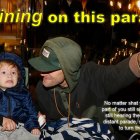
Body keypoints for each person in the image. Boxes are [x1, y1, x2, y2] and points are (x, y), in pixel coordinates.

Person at [29, 37, 140, 139]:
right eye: (41, 66)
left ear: (68, 67)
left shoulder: (92, 77)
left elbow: (119, 73)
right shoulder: (42, 90)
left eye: (49, 68)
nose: (42, 73)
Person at [0, 52, 40, 140]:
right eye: (4, 72)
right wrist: (2, 120)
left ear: (19, 77)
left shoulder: (23, 94)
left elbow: (31, 113)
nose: (9, 75)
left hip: (19, 127)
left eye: (13, 72)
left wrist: (33, 126)